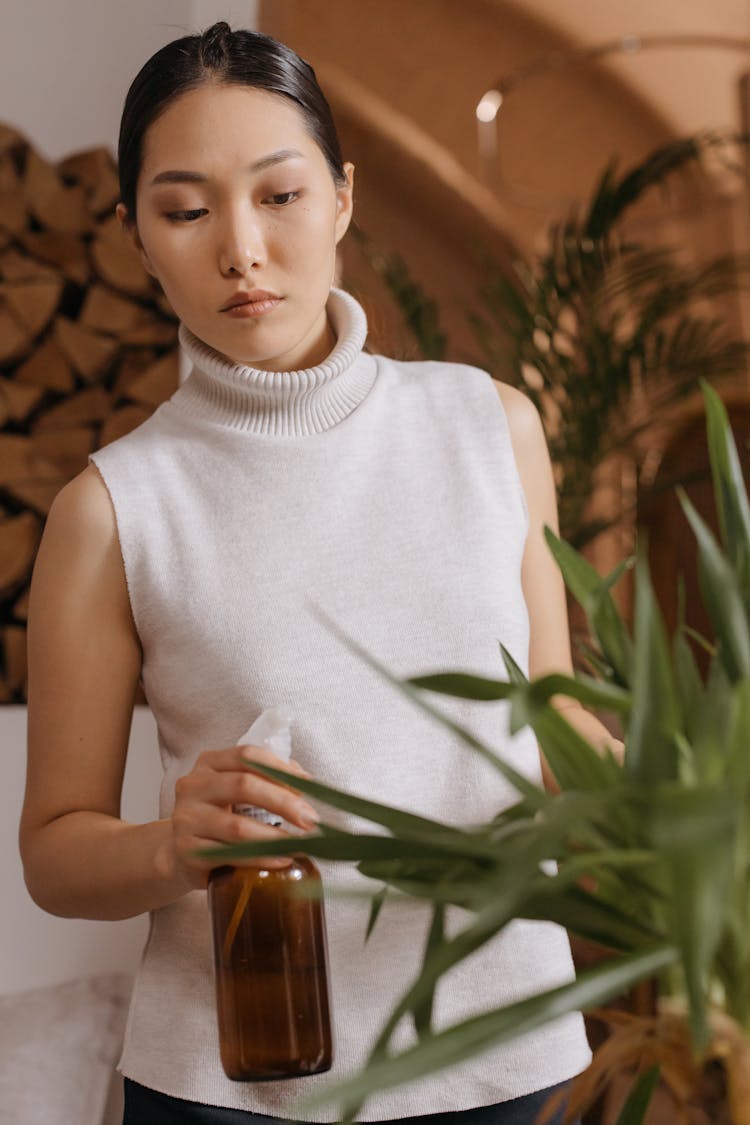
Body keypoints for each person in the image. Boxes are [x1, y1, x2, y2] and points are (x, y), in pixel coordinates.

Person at [19, 22, 610, 1125]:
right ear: (138, 238)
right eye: (186, 210)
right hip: (239, 1084)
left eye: (279, 195)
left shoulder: (492, 425)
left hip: (501, 1056)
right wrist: (168, 844)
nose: (240, 248)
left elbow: (552, 723)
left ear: (342, 197)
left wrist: (631, 785)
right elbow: (54, 854)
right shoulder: (112, 508)